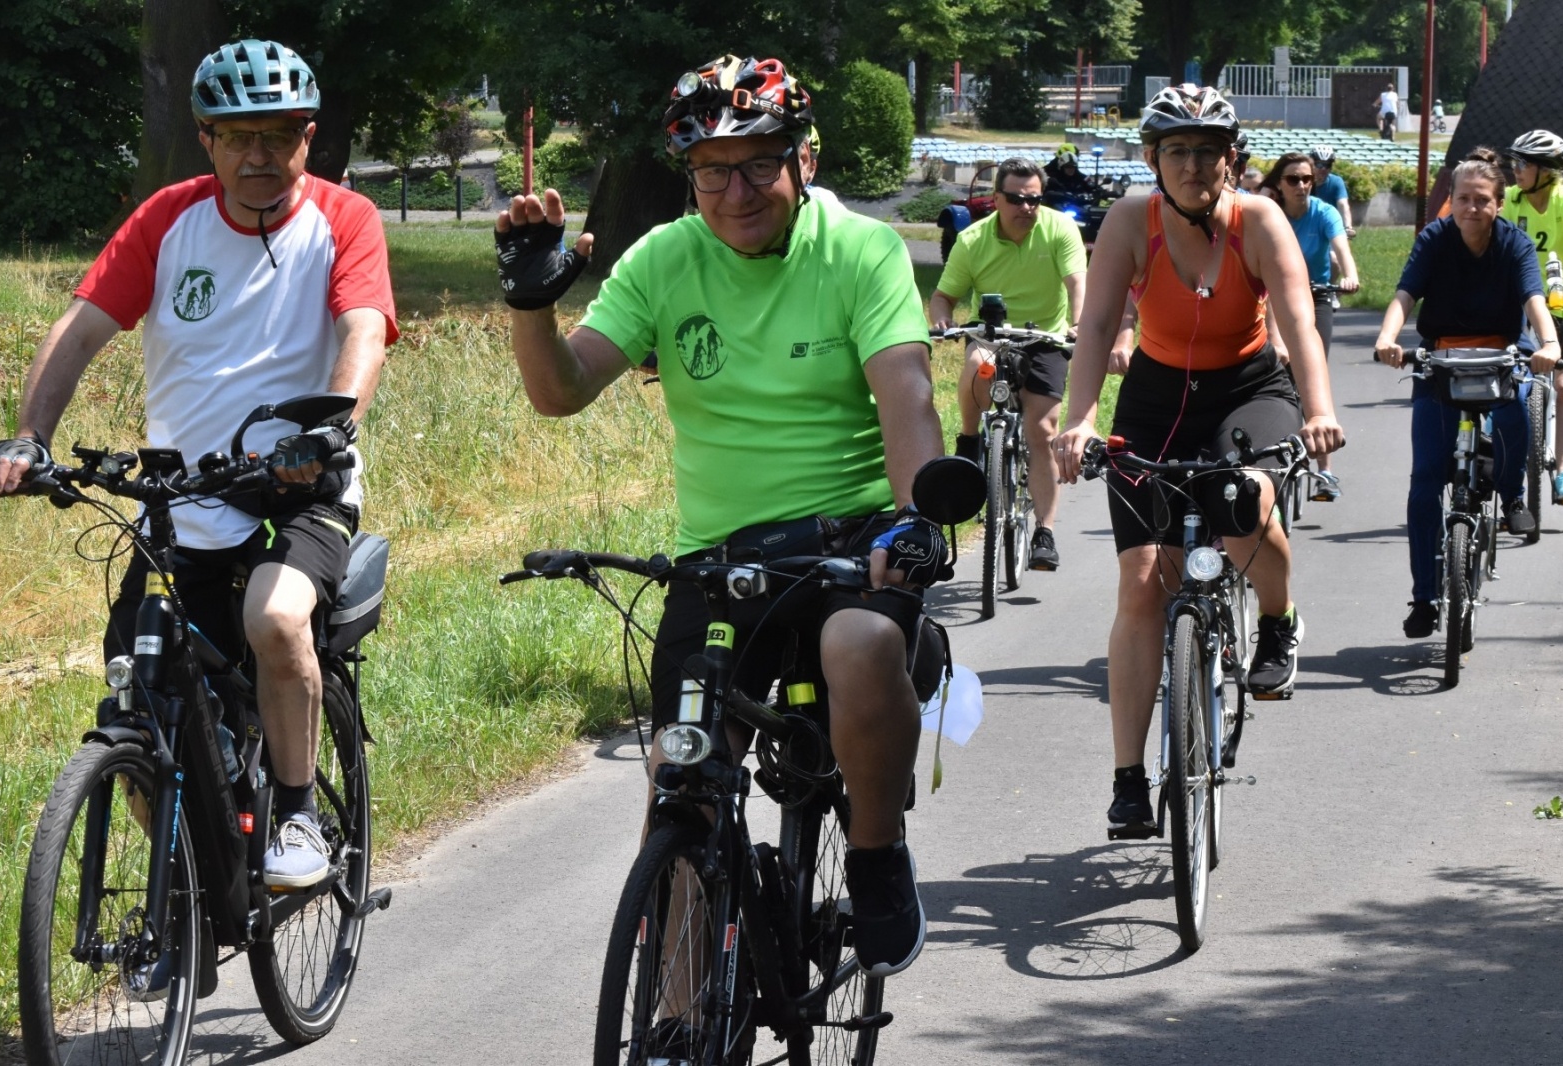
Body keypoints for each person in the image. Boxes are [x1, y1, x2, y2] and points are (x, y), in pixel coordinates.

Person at [494, 54, 943, 978]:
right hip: (722, 563)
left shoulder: (861, 250)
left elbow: (906, 394)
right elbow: (561, 392)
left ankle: (875, 854)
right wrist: (531, 306)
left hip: (852, 543)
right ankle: (677, 1017)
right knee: (681, 779)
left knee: (862, 645)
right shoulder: (665, 258)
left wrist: (915, 518)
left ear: (803, 160)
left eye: (757, 165)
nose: (735, 192)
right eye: (711, 172)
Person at [0, 39, 397, 888]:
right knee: (139, 698)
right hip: (185, 499)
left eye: (277, 135)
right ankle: (195, 892)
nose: (259, 155)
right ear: (207, 139)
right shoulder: (169, 219)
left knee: (274, 619)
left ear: (307, 137)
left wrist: (328, 433)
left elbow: (362, 331)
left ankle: (298, 818)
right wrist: (31, 435)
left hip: (301, 488)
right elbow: (80, 330)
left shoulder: (344, 218)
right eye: (238, 137)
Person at [1051, 84, 1344, 834]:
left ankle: (1277, 620)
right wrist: (1080, 420)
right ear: (1153, 160)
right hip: (1155, 398)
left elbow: (1298, 322)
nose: (1192, 165)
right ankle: (1128, 779)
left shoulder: (1259, 220)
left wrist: (1319, 410)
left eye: (1208, 151)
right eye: (1176, 151)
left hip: (1248, 389)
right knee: (1141, 583)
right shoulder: (1130, 221)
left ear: (1231, 160)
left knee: (1244, 502)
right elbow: (1096, 328)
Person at [1375, 152, 1561, 638]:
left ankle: (1512, 494)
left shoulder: (1515, 243)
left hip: (1501, 352)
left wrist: (1549, 343)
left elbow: (1533, 298)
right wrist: (1387, 338)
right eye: (1463, 199)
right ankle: (1424, 598)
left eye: (1482, 200)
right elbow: (1405, 294)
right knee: (1424, 484)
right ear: (1452, 202)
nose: (1472, 208)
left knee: (1516, 412)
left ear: (1499, 203)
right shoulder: (1434, 239)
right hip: (1441, 357)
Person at [929, 157, 1085, 571]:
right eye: (1015, 198)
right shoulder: (972, 240)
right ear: (996, 198)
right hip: (991, 336)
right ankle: (969, 439)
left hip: (1045, 339)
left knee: (1042, 430)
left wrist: (1078, 322)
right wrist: (942, 320)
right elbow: (943, 296)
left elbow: (1076, 283)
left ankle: (1044, 533)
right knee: (978, 364)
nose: (1026, 207)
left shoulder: (1060, 229)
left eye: (1034, 199)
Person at [1260, 152, 1361, 500]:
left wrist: (1350, 275)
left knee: (1311, 375)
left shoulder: (1323, 212)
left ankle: (1325, 473)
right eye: (1292, 180)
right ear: (1279, 184)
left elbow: (1341, 248)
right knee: (1273, 378)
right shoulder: (1271, 214)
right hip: (1274, 299)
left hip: (1316, 297)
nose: (1301, 186)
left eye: (1306, 179)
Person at [1498, 130, 1563, 501]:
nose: (1516, 169)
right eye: (1514, 161)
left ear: (1546, 169)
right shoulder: (1510, 199)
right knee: (1500, 378)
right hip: (1517, 301)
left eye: (1523, 163)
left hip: (1561, 303)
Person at [1308, 145, 1356, 237]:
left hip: (1330, 226)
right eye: (1319, 165)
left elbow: (1343, 204)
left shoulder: (1336, 182)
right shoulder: (1304, 182)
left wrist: (1348, 227)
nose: (1323, 169)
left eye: (1327, 165)